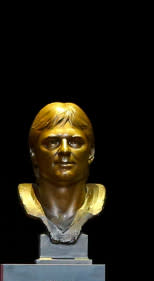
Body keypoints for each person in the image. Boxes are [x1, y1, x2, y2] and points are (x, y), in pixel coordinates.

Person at [18, 101, 105, 244]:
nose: (64, 150)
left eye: (75, 142)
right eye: (52, 142)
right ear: (33, 153)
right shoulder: (27, 198)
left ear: (91, 152)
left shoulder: (96, 202)